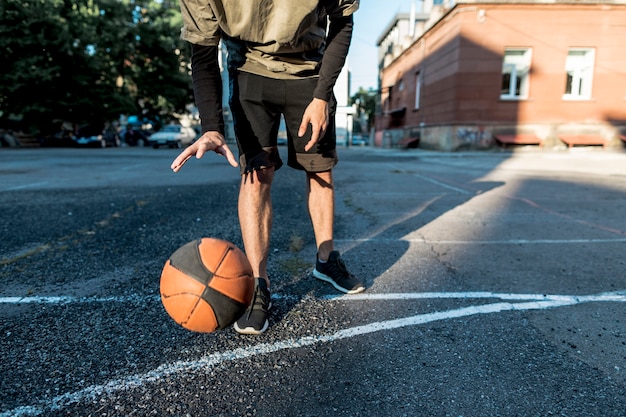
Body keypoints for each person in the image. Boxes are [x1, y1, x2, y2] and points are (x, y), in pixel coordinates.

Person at [171, 0, 365, 335]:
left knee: (319, 170)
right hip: (249, 72)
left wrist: (322, 96)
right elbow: (203, 53)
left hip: (310, 71)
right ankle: (259, 283)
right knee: (256, 174)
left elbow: (342, 22)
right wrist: (211, 127)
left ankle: (326, 260)